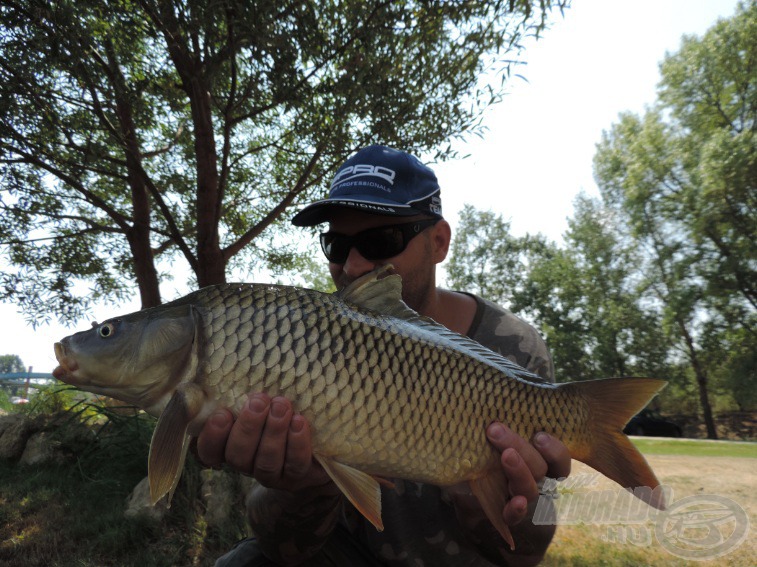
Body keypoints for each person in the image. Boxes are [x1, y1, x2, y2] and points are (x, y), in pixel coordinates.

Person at [197, 145, 572, 566]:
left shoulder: (513, 347)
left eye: (381, 240)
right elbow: (281, 547)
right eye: (336, 245)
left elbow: (526, 555)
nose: (353, 266)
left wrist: (487, 502)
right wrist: (304, 485)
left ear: (439, 241)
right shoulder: (304, 340)